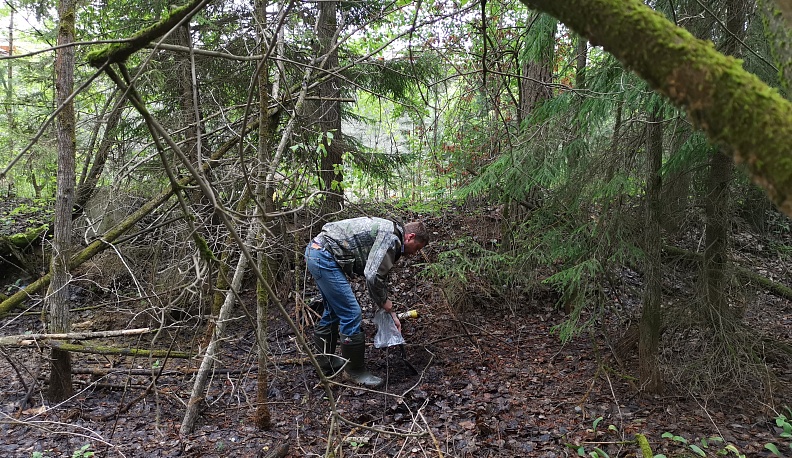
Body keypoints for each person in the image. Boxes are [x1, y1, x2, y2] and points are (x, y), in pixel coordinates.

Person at [304, 217, 430, 387]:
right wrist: (384, 302)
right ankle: (355, 372)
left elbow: (377, 274)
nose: (415, 253)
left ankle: (326, 363)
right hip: (324, 256)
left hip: (317, 251)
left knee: (334, 311)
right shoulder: (391, 239)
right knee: (351, 313)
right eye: (417, 248)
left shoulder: (391, 234)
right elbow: (372, 275)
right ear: (410, 237)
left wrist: (388, 308)